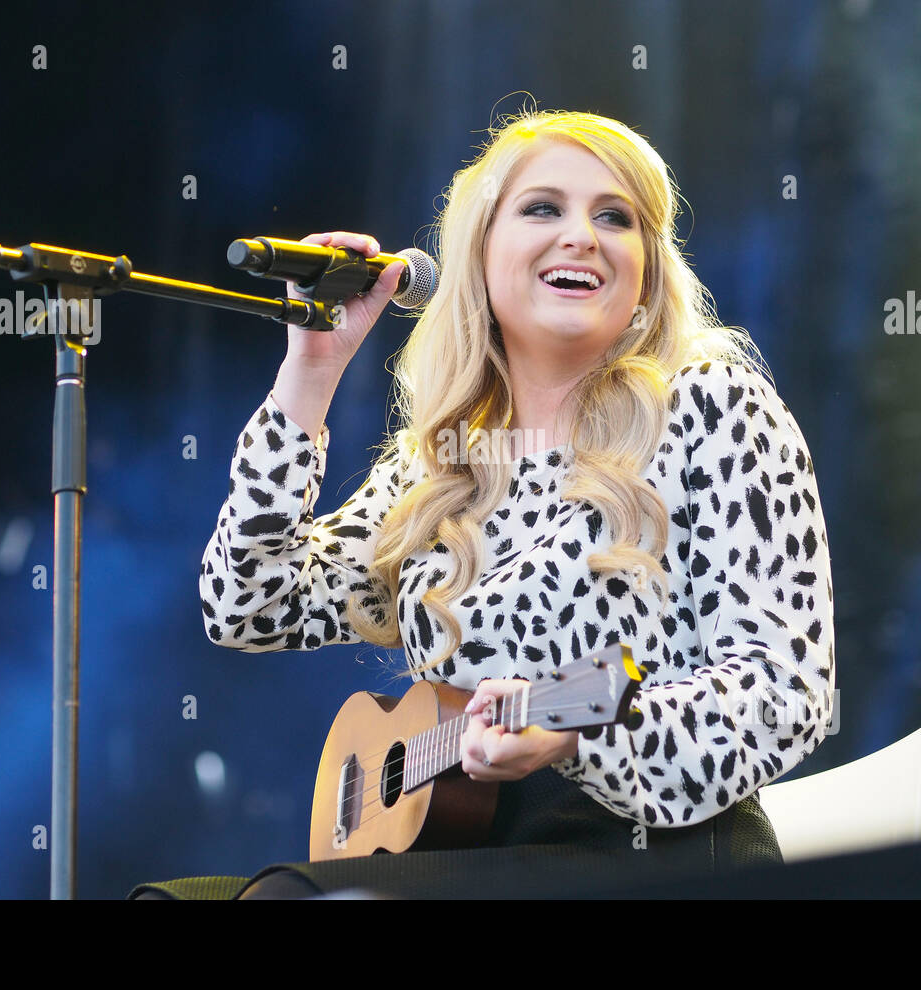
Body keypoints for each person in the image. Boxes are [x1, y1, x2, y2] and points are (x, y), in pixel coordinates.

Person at [143, 109, 835, 899]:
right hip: (464, 854)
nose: (582, 235)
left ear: (648, 267)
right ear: (478, 252)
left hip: (650, 851)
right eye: (543, 208)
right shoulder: (442, 462)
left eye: (616, 217)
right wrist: (312, 373)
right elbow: (246, 605)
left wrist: (580, 740)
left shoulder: (713, 405)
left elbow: (785, 689)